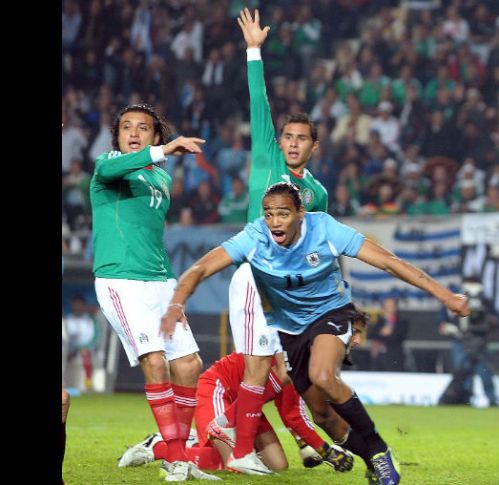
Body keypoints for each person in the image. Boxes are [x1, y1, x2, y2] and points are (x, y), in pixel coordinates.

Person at [160, 182, 470, 485]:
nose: (274, 222)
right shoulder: (255, 237)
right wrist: (176, 303)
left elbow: (389, 262)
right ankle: (371, 462)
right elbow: (201, 268)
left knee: (322, 375)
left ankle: (377, 448)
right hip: (291, 332)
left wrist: (445, 295)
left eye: (282, 214)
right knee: (322, 416)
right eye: (268, 214)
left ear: (300, 214)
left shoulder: (325, 230)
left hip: (332, 313)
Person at [210, 8, 333, 475]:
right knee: (260, 365)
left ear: (314, 146)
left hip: (290, 287)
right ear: (280, 141)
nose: (293, 143)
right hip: (254, 274)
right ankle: (236, 442)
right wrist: (254, 50)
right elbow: (257, 102)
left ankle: (290, 442)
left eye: (303, 138)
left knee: (286, 369)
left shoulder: (316, 194)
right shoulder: (266, 158)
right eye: (288, 137)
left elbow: (320, 244)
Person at [89, 103, 218, 482]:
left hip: (160, 281)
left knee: (189, 365)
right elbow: (110, 168)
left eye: (143, 128)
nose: (133, 133)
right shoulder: (108, 165)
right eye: (126, 127)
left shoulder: (161, 181)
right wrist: (163, 151)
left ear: (155, 134)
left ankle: (162, 448)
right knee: (156, 362)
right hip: (120, 279)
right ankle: (177, 458)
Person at [117, 308, 369, 473]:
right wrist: (327, 450)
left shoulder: (311, 360)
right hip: (219, 390)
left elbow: (292, 412)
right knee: (232, 467)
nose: (357, 340)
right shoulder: (298, 350)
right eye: (355, 332)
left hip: (249, 409)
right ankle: (159, 446)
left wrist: (321, 449)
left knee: (277, 466)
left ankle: (194, 439)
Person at [438, 277, 499, 407]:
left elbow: (495, 321)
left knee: (484, 372)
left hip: (480, 342)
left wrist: (486, 317)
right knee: (463, 371)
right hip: (460, 340)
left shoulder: (486, 302)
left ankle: (492, 400)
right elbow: (441, 323)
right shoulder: (454, 299)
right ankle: (465, 399)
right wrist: (451, 328)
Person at [368, 296, 409, 371]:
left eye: (391, 306)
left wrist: (388, 333)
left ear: (395, 307)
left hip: (394, 357)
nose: (388, 308)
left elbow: (399, 337)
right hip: (378, 357)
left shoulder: (402, 321)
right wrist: (382, 333)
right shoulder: (379, 321)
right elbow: (371, 334)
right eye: (386, 305)